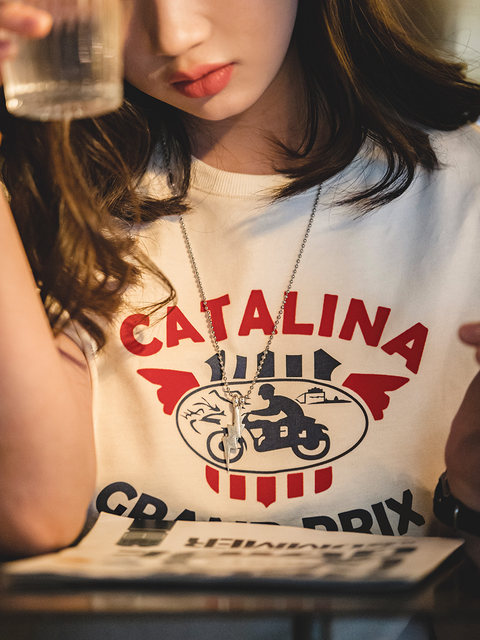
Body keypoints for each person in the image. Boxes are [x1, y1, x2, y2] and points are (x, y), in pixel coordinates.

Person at [0, 0, 479, 570]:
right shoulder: (47, 199)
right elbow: (37, 514)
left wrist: (469, 496)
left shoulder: (463, 191)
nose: (175, 35)